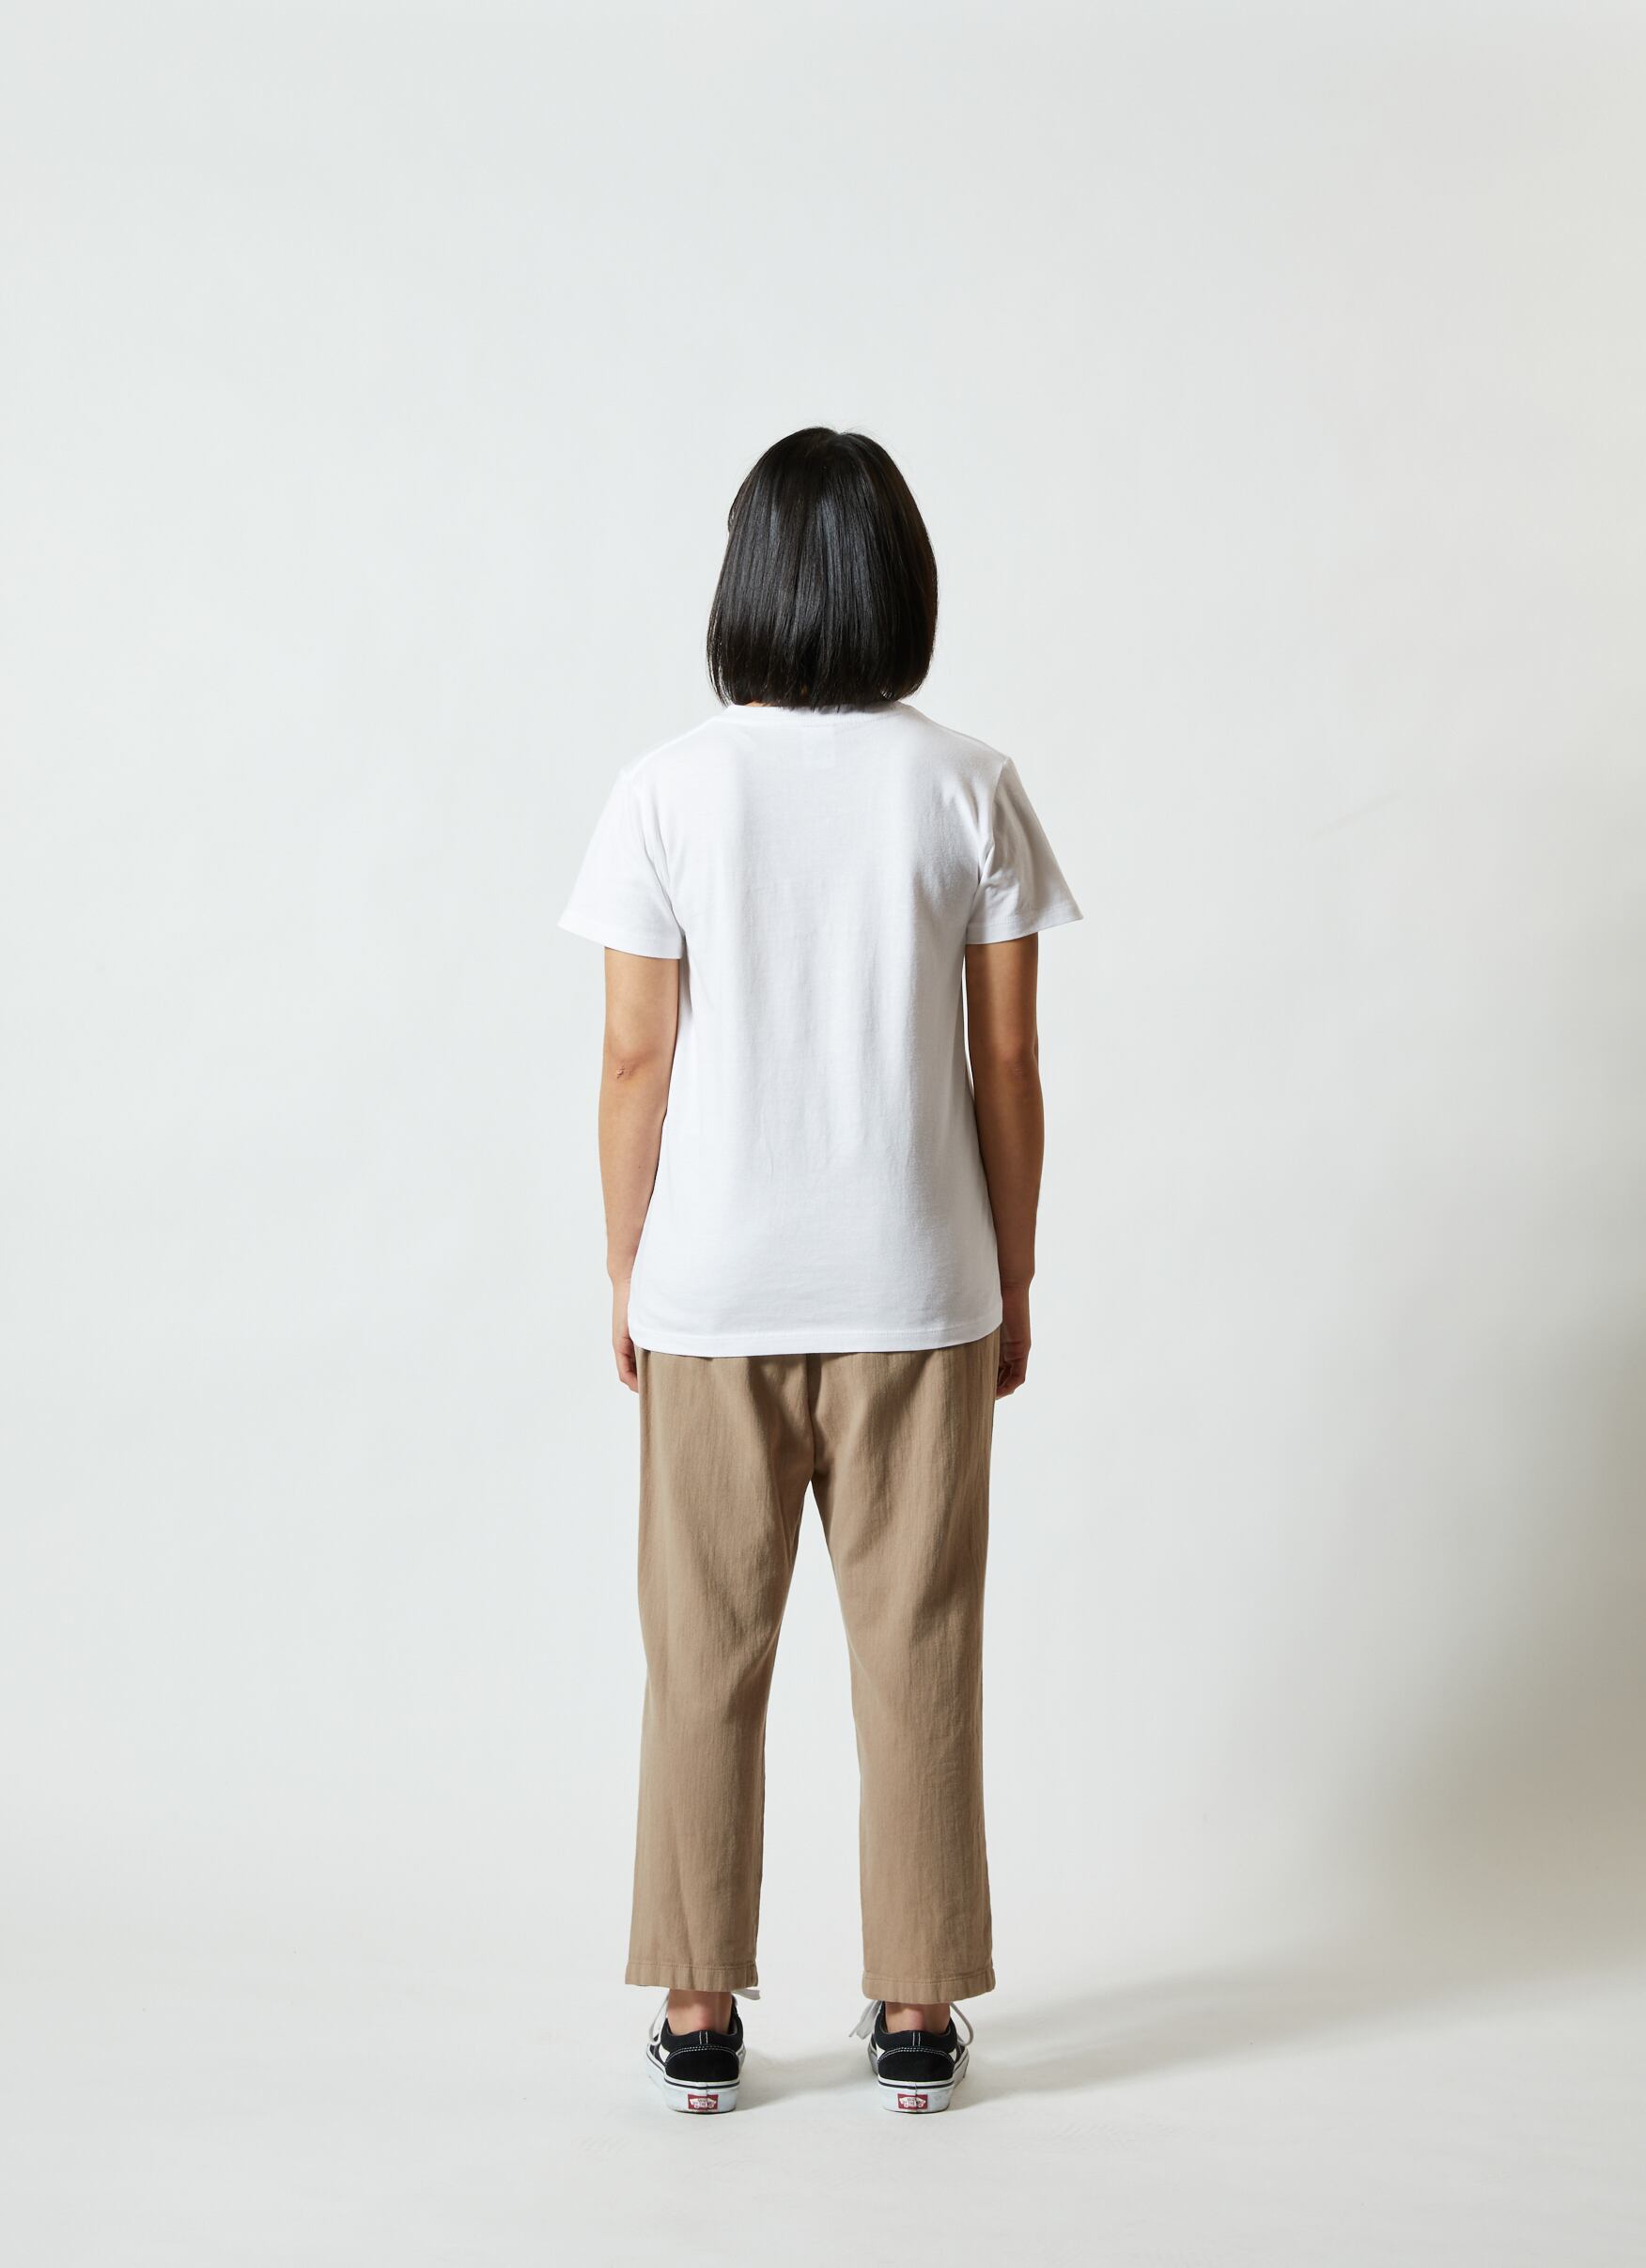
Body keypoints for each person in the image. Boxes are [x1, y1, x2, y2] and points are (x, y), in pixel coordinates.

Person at [559, 427, 1081, 2114]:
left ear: (749, 581)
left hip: (712, 1289)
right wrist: (1014, 1267)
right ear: (899, 582)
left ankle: (699, 2012)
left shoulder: (665, 789)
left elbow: (633, 1061)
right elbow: (1009, 1064)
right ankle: (916, 2012)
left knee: (700, 1651)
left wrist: (626, 1266)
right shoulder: (969, 784)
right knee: (919, 1647)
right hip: (920, 1280)